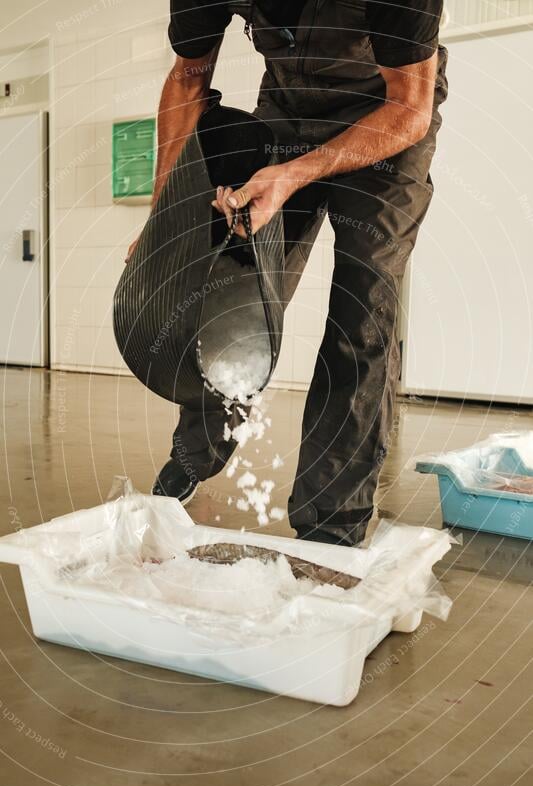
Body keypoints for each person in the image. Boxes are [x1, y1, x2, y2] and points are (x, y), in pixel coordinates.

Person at [136, 0, 448, 546]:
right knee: (236, 289)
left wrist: (297, 174)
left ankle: (332, 522)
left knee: (362, 310)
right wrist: (165, 207)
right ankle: (196, 451)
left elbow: (410, 107)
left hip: (388, 115)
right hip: (288, 107)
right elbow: (188, 82)